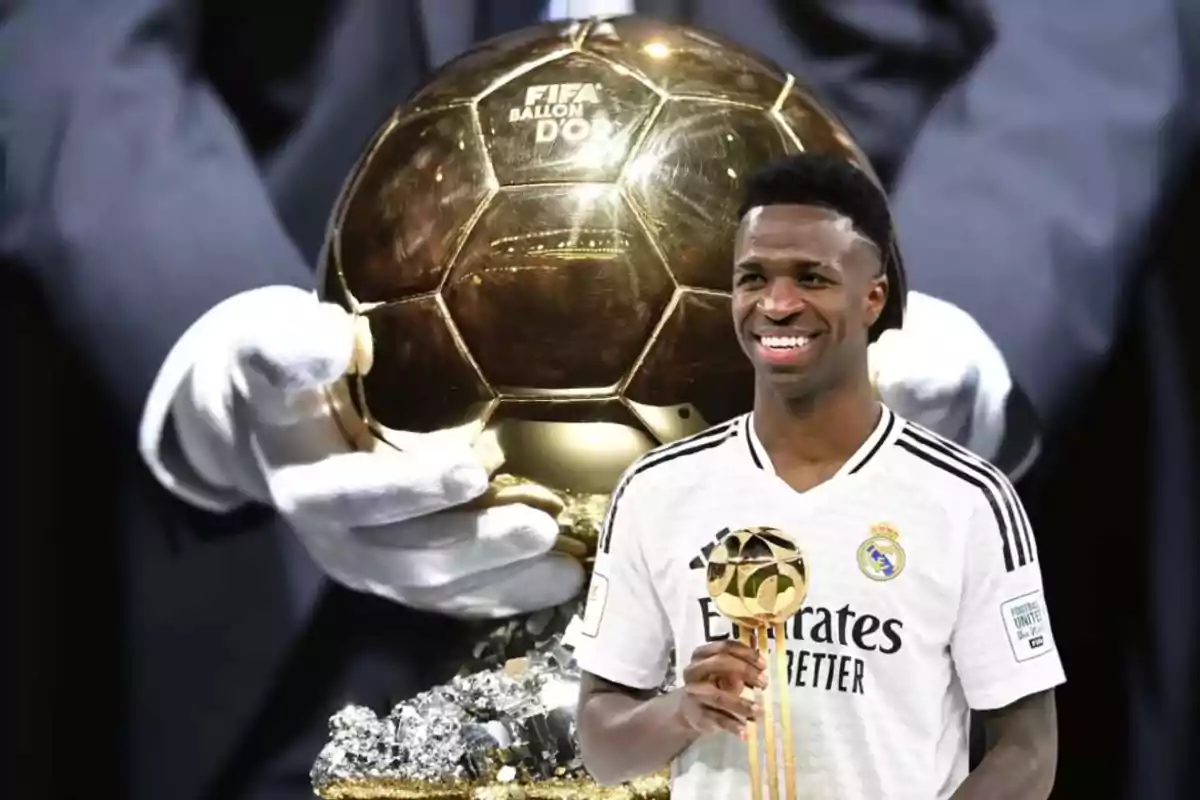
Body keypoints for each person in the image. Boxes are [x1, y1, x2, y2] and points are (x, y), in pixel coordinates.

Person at [0, 2, 1034, 798]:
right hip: (294, 633)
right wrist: (207, 333)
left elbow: (1092, 45)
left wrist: (974, 334)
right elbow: (75, 37)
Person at [572, 153, 1065, 799]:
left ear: (872, 298)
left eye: (812, 278)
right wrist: (681, 711)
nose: (777, 304)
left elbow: (1029, 753)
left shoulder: (966, 500)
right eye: (754, 278)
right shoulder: (657, 490)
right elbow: (603, 750)